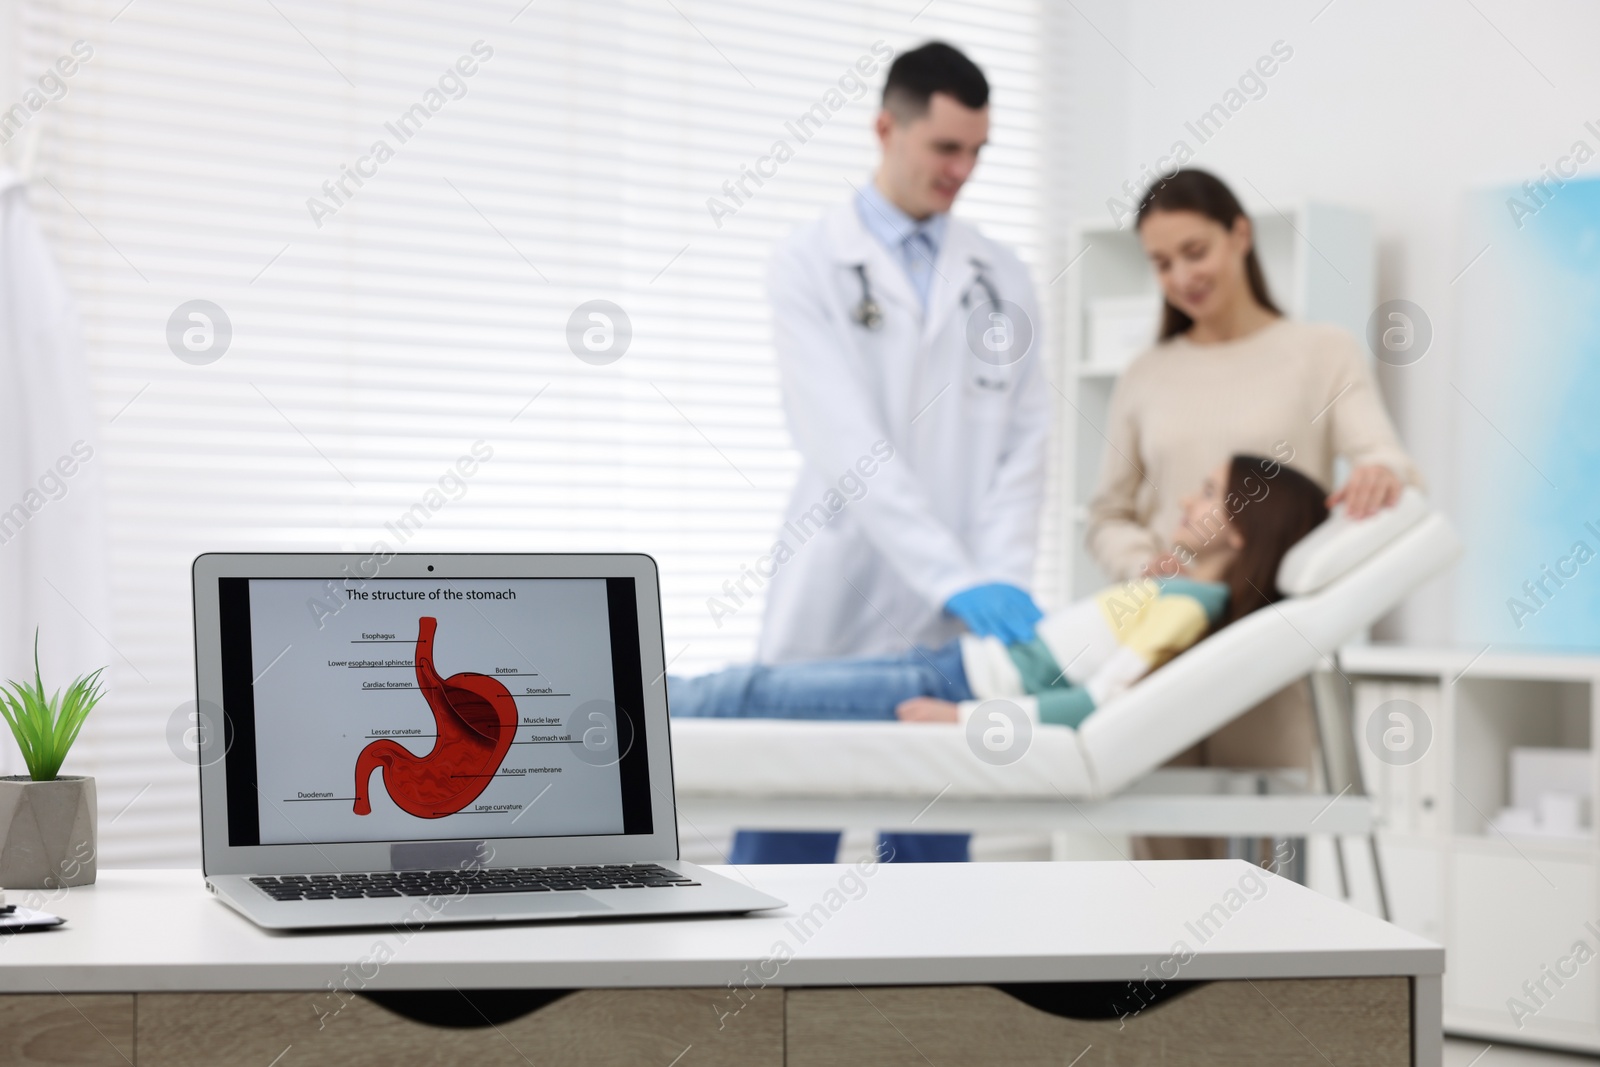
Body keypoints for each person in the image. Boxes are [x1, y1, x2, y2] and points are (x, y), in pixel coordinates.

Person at [749, 42, 1050, 863]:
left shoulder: (1003, 276)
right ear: (887, 127)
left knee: (928, 872)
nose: (963, 170)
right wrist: (954, 572)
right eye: (946, 148)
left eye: (978, 152)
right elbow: (844, 441)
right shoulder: (809, 262)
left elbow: (1025, 445)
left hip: (953, 624)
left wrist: (998, 583)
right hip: (835, 593)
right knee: (782, 852)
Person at [1085, 168, 1422, 859]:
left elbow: (1387, 458)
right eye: (1161, 263)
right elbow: (1107, 514)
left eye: (1195, 251)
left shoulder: (1319, 353)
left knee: (1261, 884)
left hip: (1264, 650)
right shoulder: (1146, 372)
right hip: (1160, 645)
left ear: (1241, 235)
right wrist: (1138, 563)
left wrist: (1380, 474)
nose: (1181, 276)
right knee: (1160, 883)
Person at [675, 456, 1327, 734]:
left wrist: (960, 720)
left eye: (1209, 492)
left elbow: (1100, 703)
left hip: (960, 687)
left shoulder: (1189, 609)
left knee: (755, 692)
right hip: (954, 663)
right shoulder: (1177, 594)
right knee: (760, 687)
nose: (1189, 498)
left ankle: (644, 707)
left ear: (1243, 527)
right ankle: (650, 700)